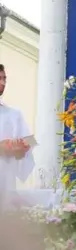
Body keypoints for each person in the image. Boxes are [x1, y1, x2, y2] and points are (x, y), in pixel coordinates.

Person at [0, 65, 34, 210]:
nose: (3, 83)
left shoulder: (14, 114)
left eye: (4, 78)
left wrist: (22, 148)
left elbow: (30, 142)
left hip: (5, 182)